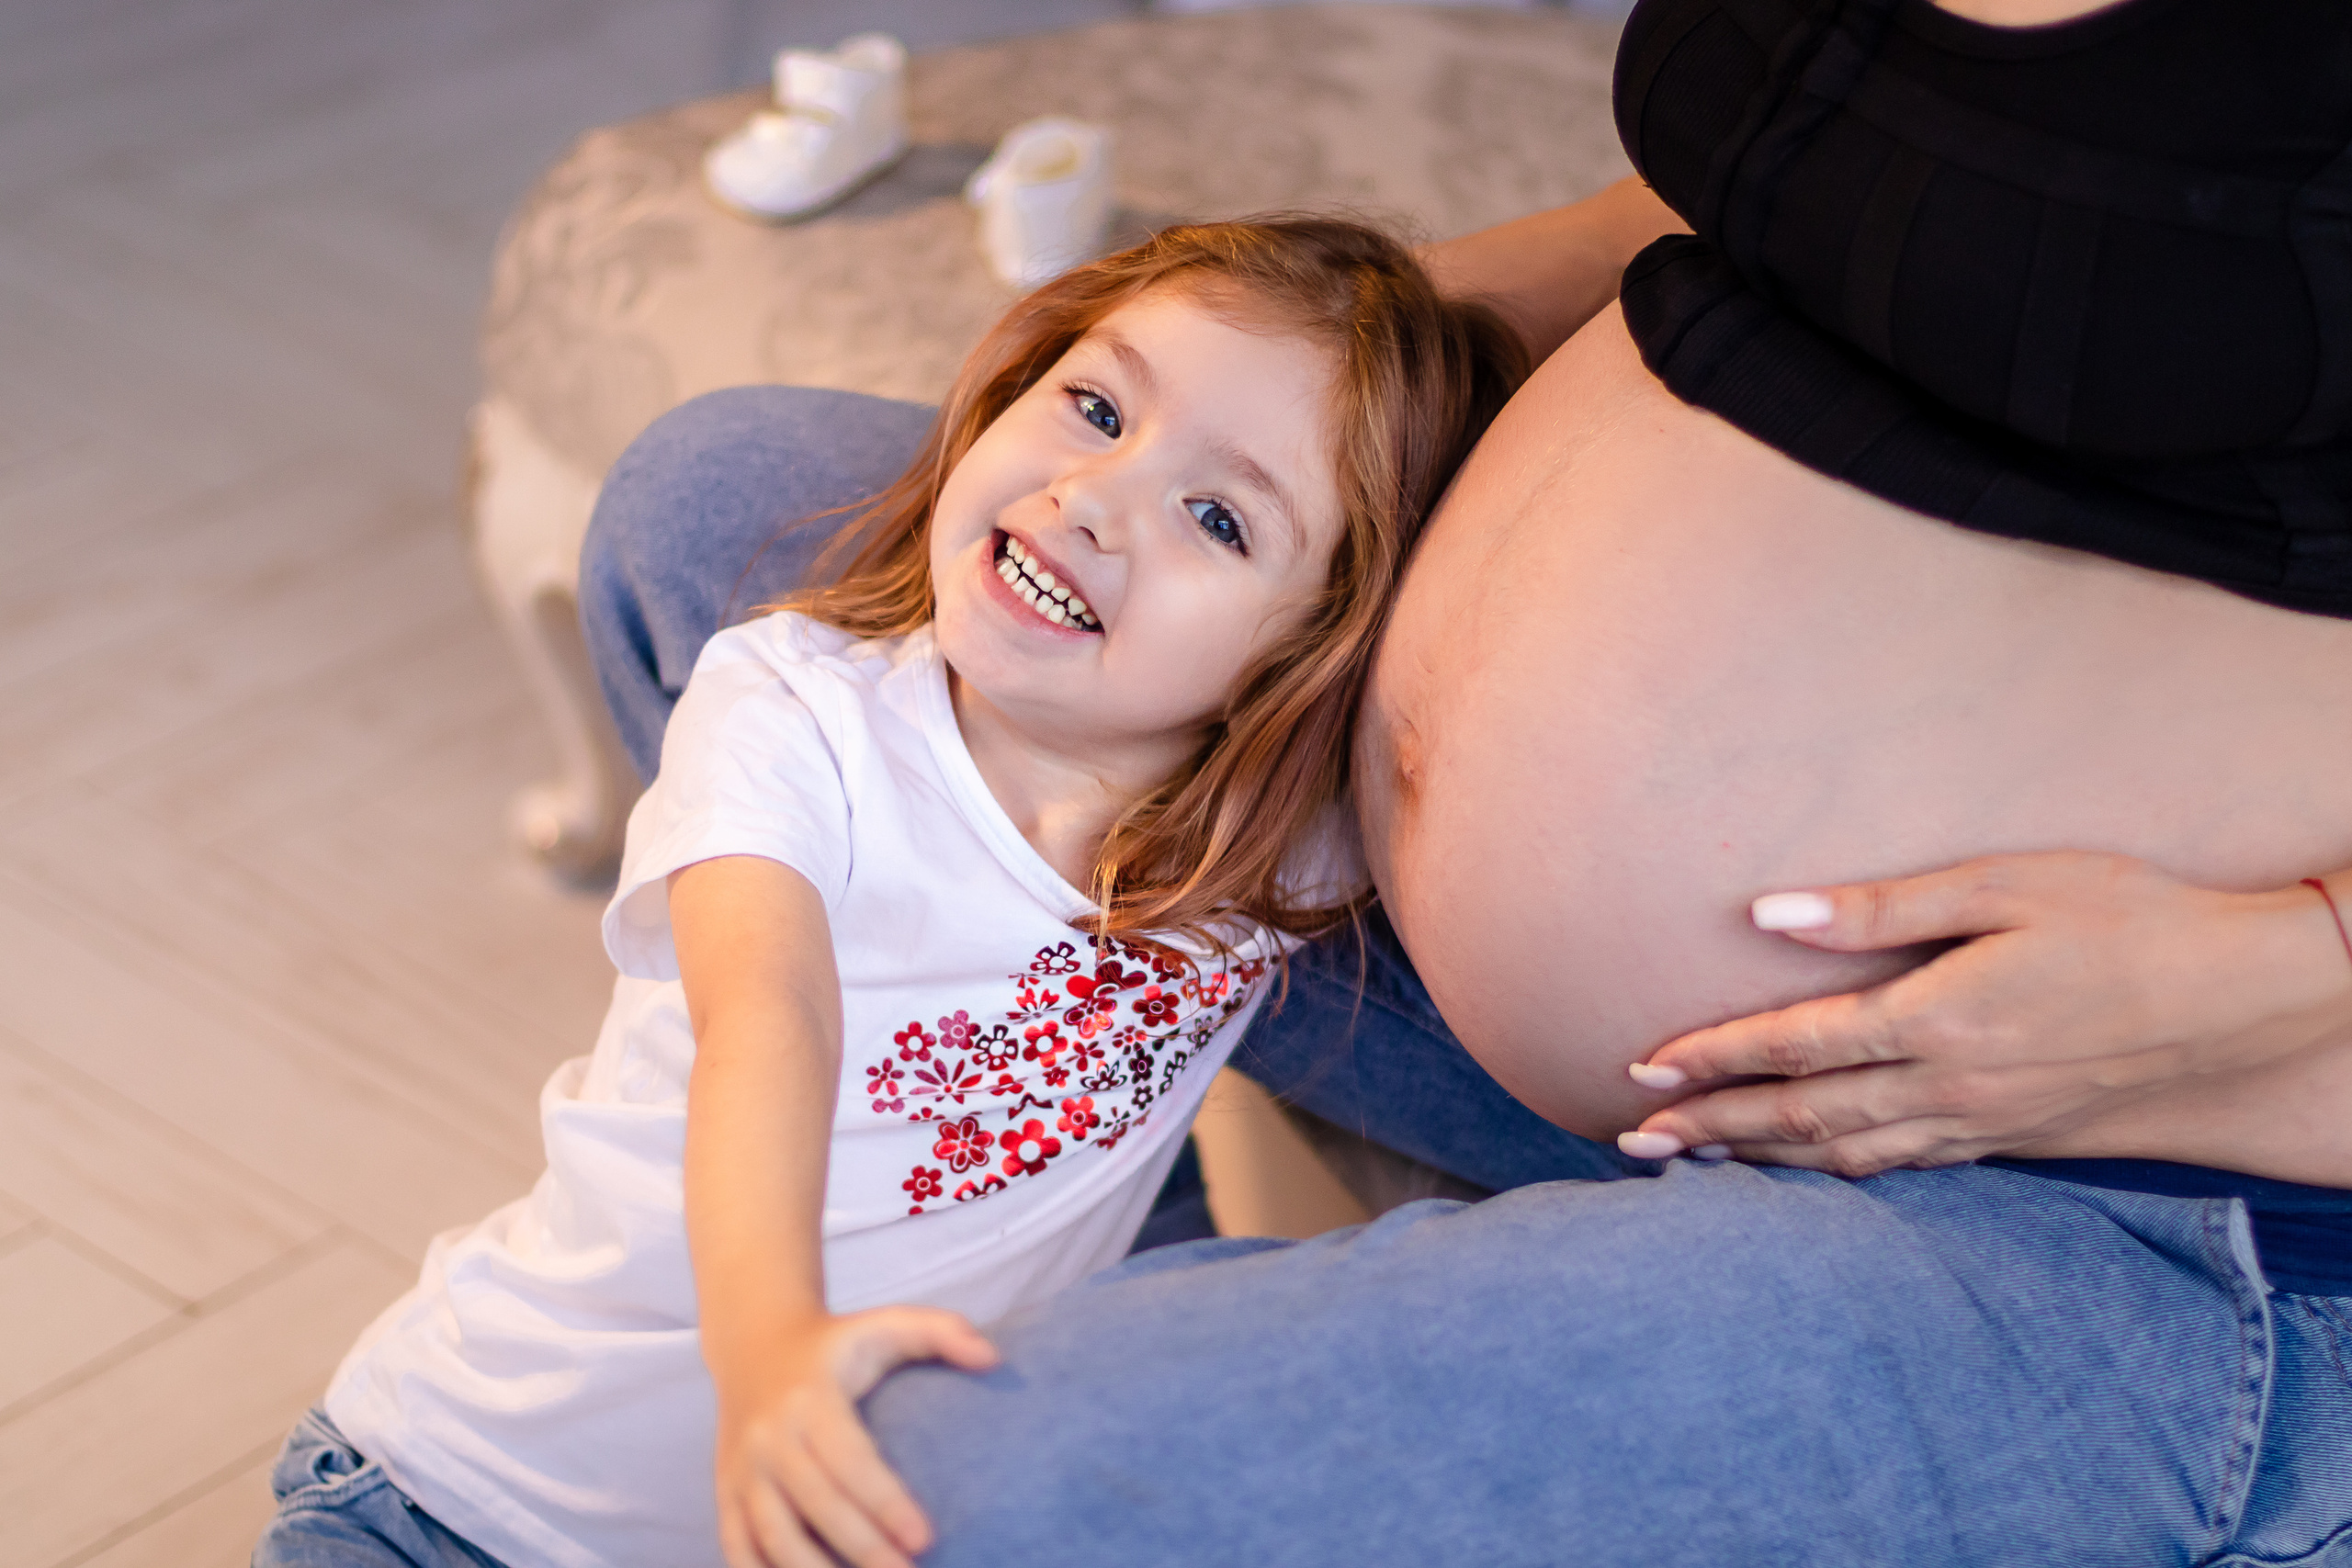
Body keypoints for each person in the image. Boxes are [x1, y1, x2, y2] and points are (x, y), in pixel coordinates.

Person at [562, 0, 2352, 1562]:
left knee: (946, 1487)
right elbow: (1803, 195)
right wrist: (1301, 375)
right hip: (1378, 885)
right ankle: (1077, 1232)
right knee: (722, 506)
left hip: (2107, 1163)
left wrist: (2279, 970)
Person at [249, 217, 1525, 1568]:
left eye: (1218, 516)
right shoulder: (792, 714)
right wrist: (771, 1357)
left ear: (1318, 653)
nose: (1093, 495)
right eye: (1094, 405)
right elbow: (766, 1023)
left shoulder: (1269, 854)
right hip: (461, 1498)